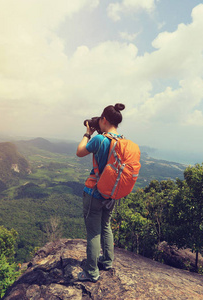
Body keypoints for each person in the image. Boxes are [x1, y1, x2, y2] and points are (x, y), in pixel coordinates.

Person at [76, 103, 126, 282]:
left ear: (104, 120)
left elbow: (80, 152)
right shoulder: (122, 141)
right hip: (111, 193)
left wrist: (88, 134)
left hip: (94, 193)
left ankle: (91, 272)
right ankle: (107, 261)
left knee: (93, 233)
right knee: (106, 226)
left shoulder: (100, 139)